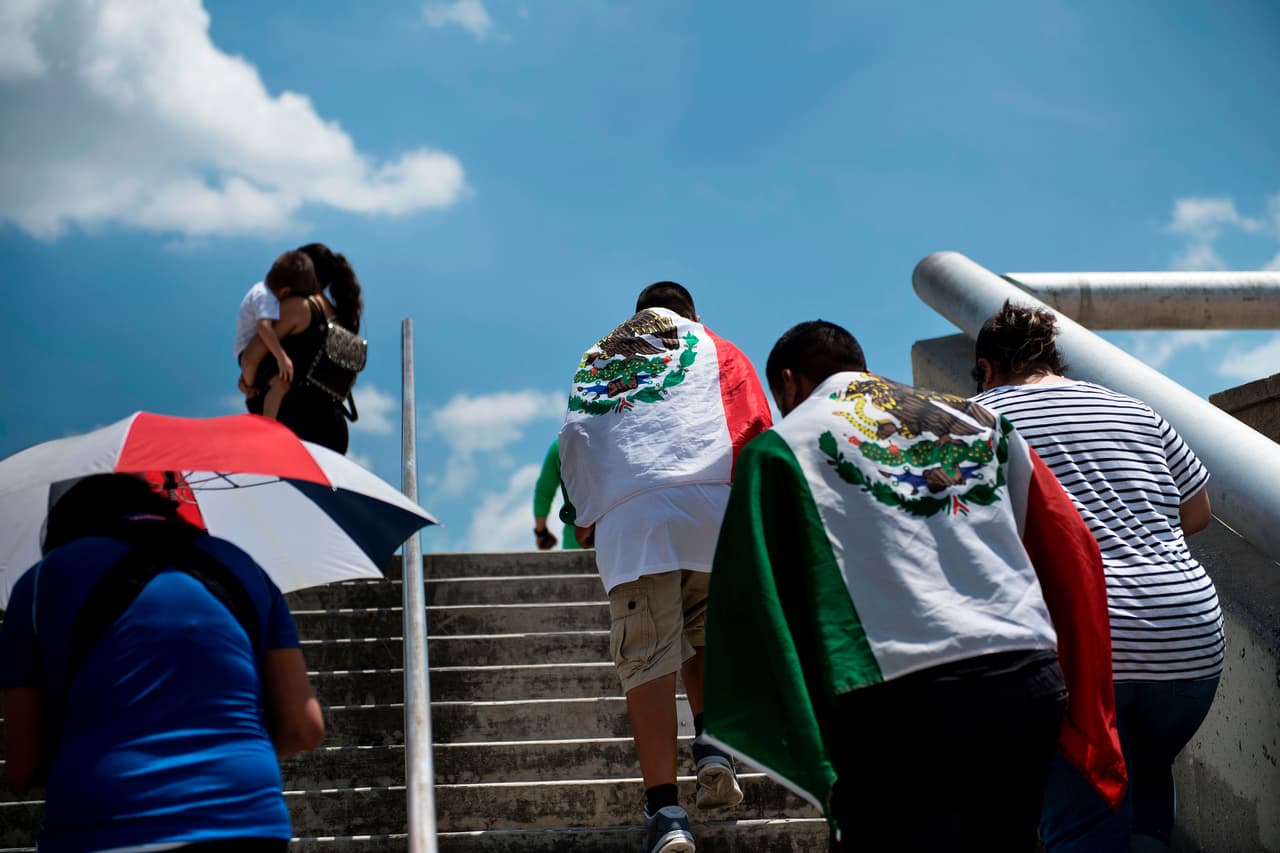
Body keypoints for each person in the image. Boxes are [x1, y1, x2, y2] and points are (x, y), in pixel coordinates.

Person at [703, 320, 1127, 852]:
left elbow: (757, 597)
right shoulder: (979, 421)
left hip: (898, 697)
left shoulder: (778, 449)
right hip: (1024, 678)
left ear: (788, 383)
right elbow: (1070, 544)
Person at [971, 300, 1224, 853]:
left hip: (1084, 645)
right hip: (1189, 642)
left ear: (986, 369)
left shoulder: (972, 420)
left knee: (1083, 830)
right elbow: (1198, 512)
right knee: (1143, 786)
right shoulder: (1132, 408)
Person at [558, 282, 773, 853]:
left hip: (636, 523)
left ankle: (666, 812)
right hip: (714, 510)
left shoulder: (602, 354)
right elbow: (754, 421)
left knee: (647, 655)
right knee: (703, 629)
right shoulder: (714, 345)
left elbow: (575, 435)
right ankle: (713, 745)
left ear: (637, 317)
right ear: (693, 314)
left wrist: (585, 514)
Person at [0, 473, 324, 853]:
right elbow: (304, 729)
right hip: (246, 819)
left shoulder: (40, 583)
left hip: (103, 825)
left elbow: (24, 764)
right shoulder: (245, 567)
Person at [246, 243, 365, 454]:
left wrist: (249, 386)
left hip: (294, 422)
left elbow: (250, 358)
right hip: (334, 430)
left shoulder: (299, 306)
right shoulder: (341, 320)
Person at [237, 251, 322, 420]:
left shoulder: (263, 290)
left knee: (279, 381)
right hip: (248, 355)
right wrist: (281, 357)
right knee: (280, 383)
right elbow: (263, 327)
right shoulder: (265, 296)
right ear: (285, 292)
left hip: (253, 357)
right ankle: (268, 424)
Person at [532, 438, 580, 551]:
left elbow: (543, 493)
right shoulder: (618, 438)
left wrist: (541, 532)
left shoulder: (561, 444)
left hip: (577, 539)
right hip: (617, 533)